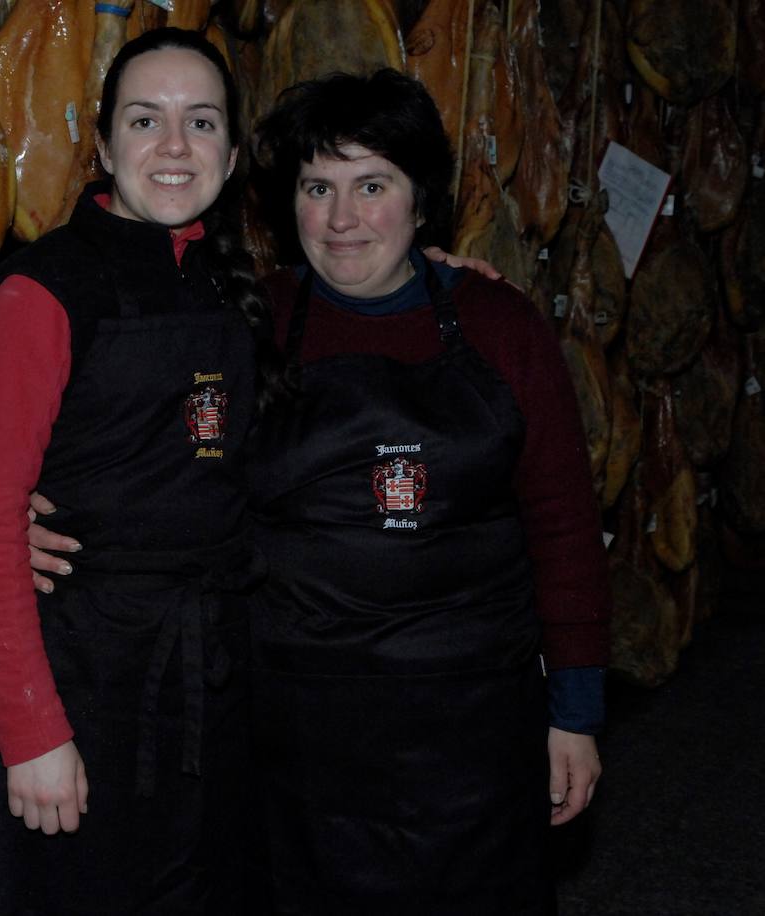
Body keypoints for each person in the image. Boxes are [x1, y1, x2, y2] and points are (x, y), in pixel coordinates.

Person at [243, 69, 610, 913]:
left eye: (372, 186)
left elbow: (562, 526)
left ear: (420, 202)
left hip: (470, 734)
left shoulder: (500, 325)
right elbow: (167, 464)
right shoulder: (250, 322)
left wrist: (578, 711)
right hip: (300, 737)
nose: (341, 220)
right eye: (316, 188)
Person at [0, 28, 268, 915]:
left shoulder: (232, 283)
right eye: (145, 120)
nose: (174, 147)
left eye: (200, 122)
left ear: (233, 153)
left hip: (212, 686)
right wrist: (31, 732)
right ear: (101, 145)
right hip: (85, 687)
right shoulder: (39, 292)